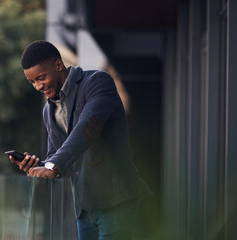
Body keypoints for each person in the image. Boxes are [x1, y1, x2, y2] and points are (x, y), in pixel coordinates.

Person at [8, 40, 152, 240]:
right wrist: (37, 165)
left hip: (116, 199)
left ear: (58, 65)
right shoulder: (49, 110)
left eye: (41, 78)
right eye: (32, 82)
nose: (38, 86)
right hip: (84, 208)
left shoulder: (97, 83)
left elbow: (87, 128)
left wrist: (54, 164)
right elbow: (59, 160)